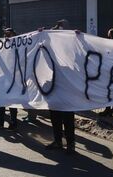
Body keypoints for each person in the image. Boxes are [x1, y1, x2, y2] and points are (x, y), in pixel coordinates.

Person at [46, 20, 77, 154]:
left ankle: (70, 144)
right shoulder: (51, 54)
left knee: (68, 120)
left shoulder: (70, 52)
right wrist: (42, 34)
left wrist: (77, 37)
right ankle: (58, 141)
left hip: (67, 94)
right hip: (54, 92)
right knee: (56, 119)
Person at [0, 27, 19, 130]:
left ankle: (13, 123)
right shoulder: (1, 45)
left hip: (13, 79)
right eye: (5, 34)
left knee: (12, 102)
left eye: (9, 34)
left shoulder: (18, 45)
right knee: (0, 101)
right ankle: (0, 122)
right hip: (2, 78)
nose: (7, 36)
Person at [99, 27, 113, 117]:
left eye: (109, 35)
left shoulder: (110, 44)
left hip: (110, 70)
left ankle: (108, 109)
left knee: (108, 90)